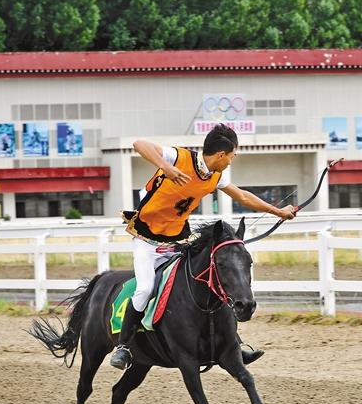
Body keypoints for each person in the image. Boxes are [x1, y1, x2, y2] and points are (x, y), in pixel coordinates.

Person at [111, 124, 296, 370]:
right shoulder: (179, 157)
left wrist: (278, 212)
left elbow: (242, 196)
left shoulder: (215, 177)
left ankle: (232, 344)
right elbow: (139, 144)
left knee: (211, 279)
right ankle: (123, 347)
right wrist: (167, 168)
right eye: (232, 156)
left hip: (177, 240)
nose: (231, 160)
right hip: (147, 240)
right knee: (145, 289)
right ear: (221, 154)